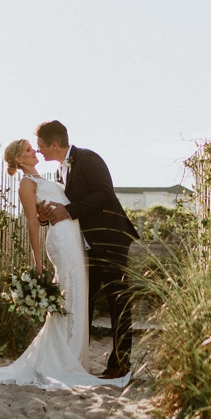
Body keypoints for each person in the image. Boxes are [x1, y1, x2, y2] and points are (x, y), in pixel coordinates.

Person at [0, 139, 129, 390]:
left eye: (36, 146)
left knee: (78, 295)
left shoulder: (53, 175)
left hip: (77, 239)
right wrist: (37, 260)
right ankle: (63, 359)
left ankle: (75, 359)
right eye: (30, 149)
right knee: (69, 292)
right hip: (62, 242)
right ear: (19, 160)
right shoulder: (25, 184)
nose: (35, 151)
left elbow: (54, 209)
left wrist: (45, 213)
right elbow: (32, 222)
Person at [34, 120, 138, 380]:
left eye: (41, 147)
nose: (39, 152)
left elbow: (104, 194)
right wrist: (46, 215)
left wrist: (68, 210)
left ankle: (120, 363)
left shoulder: (89, 159)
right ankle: (77, 359)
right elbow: (62, 208)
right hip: (85, 246)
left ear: (54, 144)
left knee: (117, 300)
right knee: (83, 301)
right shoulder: (59, 173)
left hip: (111, 237)